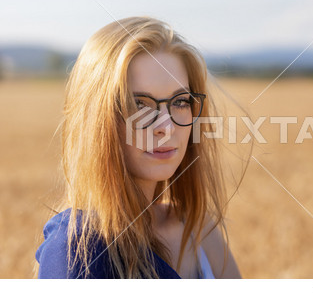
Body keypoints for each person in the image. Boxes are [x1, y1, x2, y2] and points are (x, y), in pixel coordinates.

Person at [34, 16, 246, 279]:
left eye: (180, 101)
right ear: (96, 121)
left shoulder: (200, 229)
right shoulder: (78, 251)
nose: (166, 127)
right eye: (140, 105)